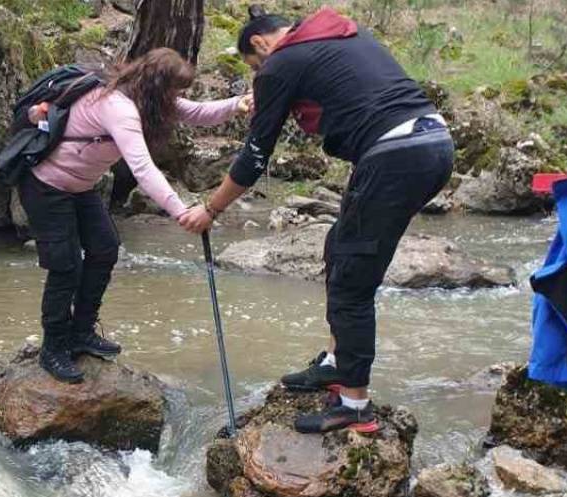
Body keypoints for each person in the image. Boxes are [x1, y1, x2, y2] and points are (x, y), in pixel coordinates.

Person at [179, 5, 454, 433]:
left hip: (395, 154)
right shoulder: (339, 36)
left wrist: (211, 209)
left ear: (259, 43)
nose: (260, 72)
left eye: (256, 66)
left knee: (352, 281)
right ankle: (335, 362)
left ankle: (353, 405)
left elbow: (255, 155)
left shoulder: (282, 61)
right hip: (431, 143)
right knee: (339, 247)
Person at [20, 48, 251, 383]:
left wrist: (237, 103)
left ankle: (81, 332)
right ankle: (53, 347)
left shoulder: (147, 98)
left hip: (80, 186)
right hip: (46, 185)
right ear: (158, 85)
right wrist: (180, 211)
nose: (178, 98)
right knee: (66, 264)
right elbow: (142, 169)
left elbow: (199, 112)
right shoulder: (118, 106)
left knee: (104, 249)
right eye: (175, 90)